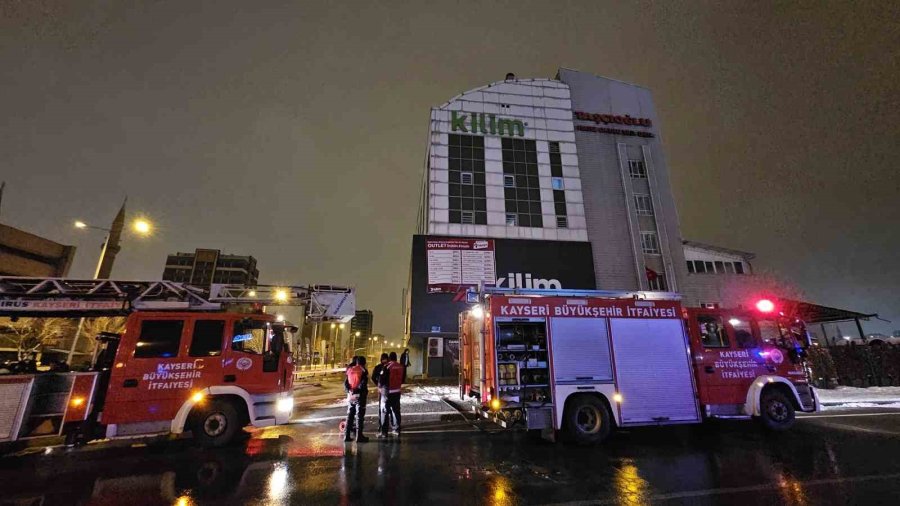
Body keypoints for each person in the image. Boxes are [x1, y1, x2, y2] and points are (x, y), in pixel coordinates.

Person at [344, 356, 369, 443]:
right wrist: (357, 390)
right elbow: (363, 383)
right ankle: (359, 436)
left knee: (350, 416)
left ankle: (346, 436)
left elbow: (346, 383)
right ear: (363, 363)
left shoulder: (350, 369)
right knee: (359, 416)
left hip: (351, 396)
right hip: (360, 396)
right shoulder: (363, 370)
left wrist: (350, 391)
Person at [379, 351, 404, 438]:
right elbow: (403, 379)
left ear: (389, 358)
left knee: (384, 411)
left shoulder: (387, 366)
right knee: (396, 410)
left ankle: (384, 432)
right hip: (397, 391)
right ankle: (396, 429)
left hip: (387, 392)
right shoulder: (401, 366)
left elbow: (381, 379)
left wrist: (380, 387)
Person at [371, 353, 389, 435]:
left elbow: (373, 377)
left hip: (381, 390)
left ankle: (381, 426)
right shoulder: (389, 367)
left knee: (381, 409)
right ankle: (386, 426)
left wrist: (377, 385)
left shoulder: (378, 367)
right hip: (388, 389)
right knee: (388, 408)